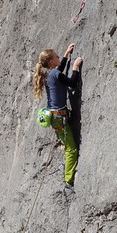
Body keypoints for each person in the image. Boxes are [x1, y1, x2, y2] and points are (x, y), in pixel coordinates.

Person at [34, 43, 83, 189]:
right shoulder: (54, 74)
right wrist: (75, 68)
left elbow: (60, 70)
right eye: (56, 56)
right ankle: (68, 180)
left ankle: (68, 177)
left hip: (55, 117)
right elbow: (72, 83)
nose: (58, 58)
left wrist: (66, 54)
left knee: (68, 145)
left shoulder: (49, 74)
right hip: (59, 118)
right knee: (71, 149)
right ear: (50, 62)